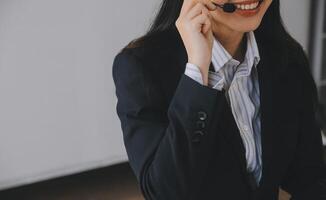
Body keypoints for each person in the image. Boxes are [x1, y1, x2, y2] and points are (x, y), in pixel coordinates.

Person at [112, 0, 326, 199]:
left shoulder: (288, 59)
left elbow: (309, 176)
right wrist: (197, 72)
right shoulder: (141, 67)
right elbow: (165, 192)